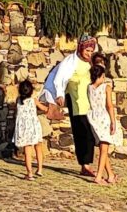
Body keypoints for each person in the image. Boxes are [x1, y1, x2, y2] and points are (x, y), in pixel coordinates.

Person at [47, 38, 97, 178]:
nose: (89, 53)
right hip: (77, 102)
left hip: (90, 104)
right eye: (87, 50)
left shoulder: (90, 63)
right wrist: (59, 94)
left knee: (90, 135)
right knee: (82, 134)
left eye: (91, 51)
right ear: (81, 48)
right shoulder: (71, 62)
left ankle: (87, 163)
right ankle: (85, 165)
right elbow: (60, 77)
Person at [85, 59, 118, 186]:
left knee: (103, 147)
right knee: (104, 150)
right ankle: (99, 176)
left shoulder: (89, 88)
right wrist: (113, 121)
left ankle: (110, 175)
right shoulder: (106, 87)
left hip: (93, 117)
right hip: (104, 118)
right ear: (101, 75)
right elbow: (109, 105)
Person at [11, 77, 45, 179]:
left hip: (24, 128)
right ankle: (39, 169)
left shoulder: (18, 101)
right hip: (34, 126)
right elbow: (44, 109)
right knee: (38, 147)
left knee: (27, 151)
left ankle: (29, 172)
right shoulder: (34, 101)